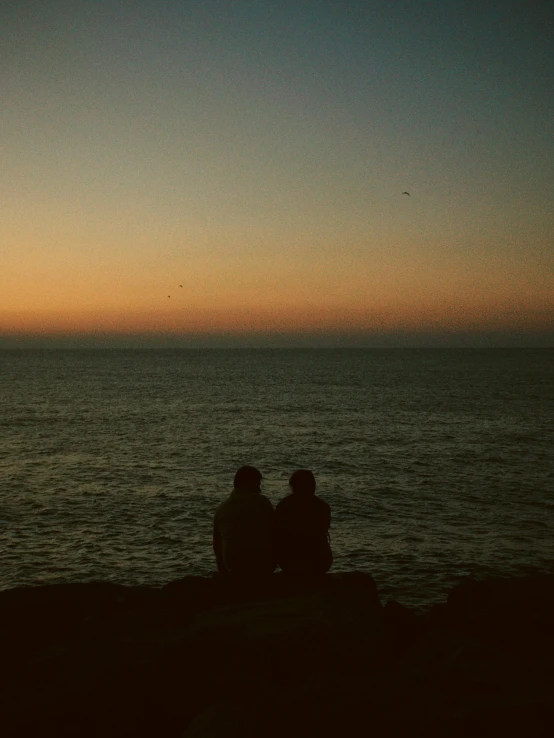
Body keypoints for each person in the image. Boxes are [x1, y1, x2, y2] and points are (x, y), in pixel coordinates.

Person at [213, 465, 276, 577]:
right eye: (257, 485)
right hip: (262, 567)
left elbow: (217, 547)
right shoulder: (262, 502)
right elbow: (276, 531)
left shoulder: (221, 508)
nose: (259, 489)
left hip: (233, 568)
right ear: (248, 484)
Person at [275, 470, 332, 576]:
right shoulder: (323, 506)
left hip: (290, 562)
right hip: (320, 562)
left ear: (293, 486)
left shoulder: (284, 505)